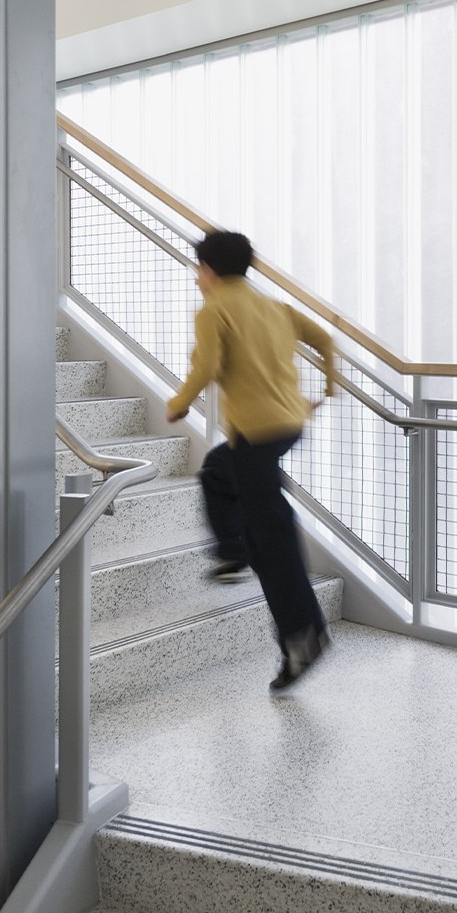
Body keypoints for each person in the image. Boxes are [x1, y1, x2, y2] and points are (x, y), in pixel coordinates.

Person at [166, 230, 338, 691]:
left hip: (256, 435)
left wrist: (179, 403)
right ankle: (232, 552)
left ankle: (304, 637)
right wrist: (327, 388)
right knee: (217, 474)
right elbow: (323, 336)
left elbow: (205, 366)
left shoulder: (214, 310)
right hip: (286, 426)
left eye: (197, 270)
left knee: (272, 540)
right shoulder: (272, 307)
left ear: (207, 270)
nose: (196, 278)